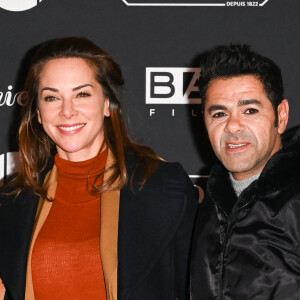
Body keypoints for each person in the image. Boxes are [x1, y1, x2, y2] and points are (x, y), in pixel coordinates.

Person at [0, 37, 198, 300]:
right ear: (37, 111)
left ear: (107, 104)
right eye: (51, 97)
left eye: (82, 94)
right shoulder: (13, 198)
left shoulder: (162, 186)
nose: (67, 111)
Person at [190, 44, 300, 299]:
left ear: (281, 116)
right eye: (219, 113)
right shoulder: (211, 205)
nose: (233, 126)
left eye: (250, 110)